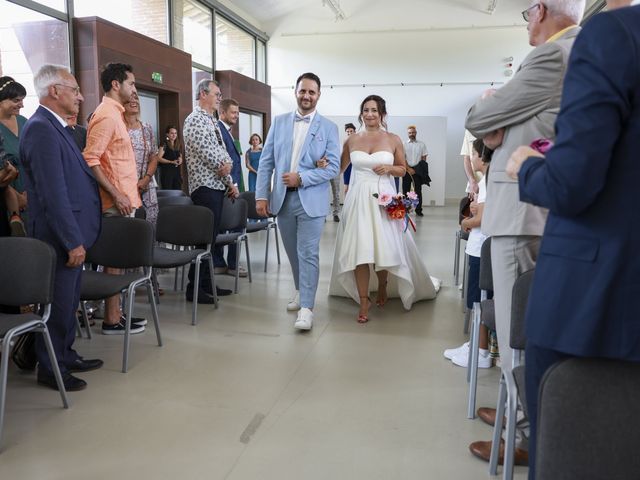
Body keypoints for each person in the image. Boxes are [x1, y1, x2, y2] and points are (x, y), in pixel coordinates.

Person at [505, 2, 640, 477]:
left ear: (538, 12)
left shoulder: (615, 35)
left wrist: (530, 166)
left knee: (571, 452)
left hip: (599, 299)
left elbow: (571, 184)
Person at [464, 0, 585, 465]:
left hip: (522, 212)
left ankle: (527, 437)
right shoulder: (575, 51)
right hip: (535, 210)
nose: (526, 25)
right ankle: (520, 412)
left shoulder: (552, 55)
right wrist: (504, 122)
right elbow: (512, 125)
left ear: (539, 10)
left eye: (525, 15)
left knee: (521, 329)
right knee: (526, 324)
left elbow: (479, 120)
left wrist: (493, 106)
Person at [19, 64, 103, 391]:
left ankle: (66, 355)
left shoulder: (56, 127)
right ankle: (51, 367)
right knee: (57, 303)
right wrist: (72, 240)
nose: (80, 97)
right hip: (59, 236)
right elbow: (54, 194)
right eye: (75, 90)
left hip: (71, 232)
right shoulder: (41, 129)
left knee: (68, 301)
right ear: (55, 91)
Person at [328, 95, 438, 323]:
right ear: (361, 113)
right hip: (358, 199)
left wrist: (389, 167)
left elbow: (403, 170)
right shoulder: (351, 141)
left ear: (382, 114)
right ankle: (363, 300)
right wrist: (321, 165)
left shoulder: (393, 139)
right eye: (365, 110)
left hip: (383, 199)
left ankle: (383, 286)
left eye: (374, 111)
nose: (369, 114)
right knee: (360, 250)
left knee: (382, 248)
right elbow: (338, 168)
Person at [255, 72, 340, 331]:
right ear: (296, 92)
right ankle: (300, 290)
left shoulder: (328, 128)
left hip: (311, 201)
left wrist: (301, 178)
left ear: (318, 95)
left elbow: (333, 168)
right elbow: (266, 161)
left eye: (312, 92)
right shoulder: (279, 123)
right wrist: (261, 195)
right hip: (281, 200)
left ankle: (307, 308)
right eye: (303, 91)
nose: (306, 96)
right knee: (293, 252)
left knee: (308, 253)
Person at [84, 62, 146, 335]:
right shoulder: (107, 115)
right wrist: (117, 193)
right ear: (115, 84)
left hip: (123, 199)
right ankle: (111, 319)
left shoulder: (115, 114)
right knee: (113, 261)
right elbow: (91, 158)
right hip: (114, 201)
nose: (134, 90)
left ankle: (115, 315)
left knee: (117, 263)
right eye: (131, 84)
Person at [183, 79, 237, 303]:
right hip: (205, 187)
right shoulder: (195, 119)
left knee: (210, 241)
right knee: (204, 240)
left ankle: (206, 285)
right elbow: (210, 154)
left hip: (216, 185)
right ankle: (193, 289)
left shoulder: (210, 120)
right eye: (216, 94)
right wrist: (228, 177)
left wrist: (229, 175)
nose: (219, 98)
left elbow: (223, 153)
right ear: (203, 94)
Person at [444, 138, 494, 368]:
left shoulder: (485, 182)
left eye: (472, 155)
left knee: (477, 300)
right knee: (478, 298)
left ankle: (481, 351)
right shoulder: (489, 179)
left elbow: (482, 220)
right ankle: (476, 344)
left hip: (480, 247)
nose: (470, 159)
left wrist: (466, 223)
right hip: (482, 246)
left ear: (481, 157)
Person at [215, 98, 247, 278]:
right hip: (227, 187)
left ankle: (220, 263)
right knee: (235, 226)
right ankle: (232, 265)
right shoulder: (219, 130)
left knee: (224, 226)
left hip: (230, 186)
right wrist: (233, 185)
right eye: (233, 112)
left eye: (237, 112)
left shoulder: (227, 131)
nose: (236, 115)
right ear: (223, 112)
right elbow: (223, 161)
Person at [124, 92, 159, 227]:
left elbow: (154, 156)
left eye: (136, 98)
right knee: (129, 226)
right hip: (125, 186)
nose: (134, 101)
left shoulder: (147, 128)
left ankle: (150, 248)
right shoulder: (118, 126)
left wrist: (146, 178)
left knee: (151, 223)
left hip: (146, 184)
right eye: (130, 98)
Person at [0, 77, 28, 235]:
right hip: (7, 194)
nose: (22, 105)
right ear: (1, 100)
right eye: (16, 100)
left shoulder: (24, 121)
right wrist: (18, 198)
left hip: (31, 192)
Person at [403, 125, 428, 216]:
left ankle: (418, 210)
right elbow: (402, 158)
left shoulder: (422, 144)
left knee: (418, 191)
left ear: (416, 133)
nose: (412, 134)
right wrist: (408, 169)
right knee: (406, 190)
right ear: (408, 134)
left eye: (413, 132)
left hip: (418, 171)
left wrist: (417, 169)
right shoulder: (403, 144)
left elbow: (424, 158)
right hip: (406, 170)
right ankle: (406, 209)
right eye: (410, 133)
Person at [157, 125, 183, 190]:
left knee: (177, 192)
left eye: (175, 133)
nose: (174, 135)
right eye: (171, 133)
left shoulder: (178, 144)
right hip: (167, 173)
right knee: (168, 193)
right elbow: (159, 158)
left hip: (176, 173)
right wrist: (171, 162)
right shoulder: (164, 144)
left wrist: (180, 159)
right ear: (167, 134)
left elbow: (180, 156)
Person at [342, 123, 356, 194]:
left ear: (354, 132)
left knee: (355, 187)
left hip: (356, 165)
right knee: (346, 188)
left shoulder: (358, 141)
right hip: (347, 166)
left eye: (351, 131)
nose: (349, 133)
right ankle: (346, 204)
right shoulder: (345, 142)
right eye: (347, 131)